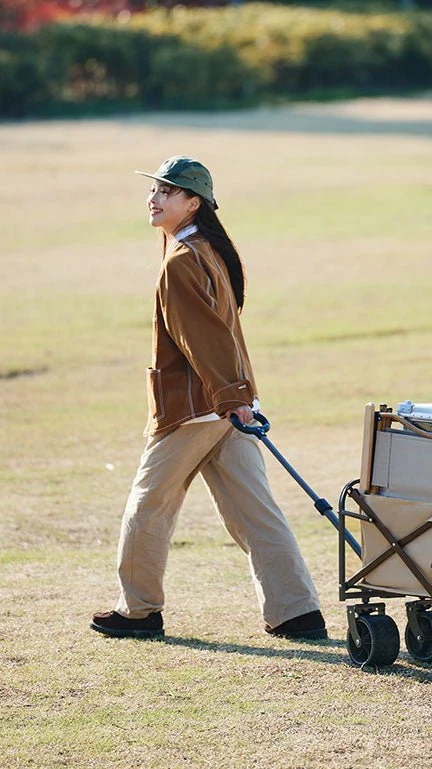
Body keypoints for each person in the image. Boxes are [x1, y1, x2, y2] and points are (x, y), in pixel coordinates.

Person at [91, 156, 326, 641]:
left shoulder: (181, 261)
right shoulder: (206, 251)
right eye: (153, 190)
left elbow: (205, 338)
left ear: (193, 203)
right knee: (256, 512)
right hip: (228, 408)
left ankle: (138, 612)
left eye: (167, 192)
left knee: (147, 503)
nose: (154, 199)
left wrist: (231, 396)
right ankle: (297, 613)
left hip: (199, 409)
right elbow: (221, 333)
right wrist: (239, 399)